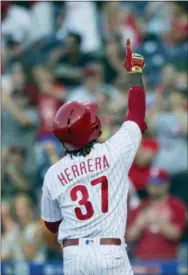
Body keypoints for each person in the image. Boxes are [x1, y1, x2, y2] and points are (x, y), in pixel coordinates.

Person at [41, 39, 147, 275]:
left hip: (74, 255)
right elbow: (137, 115)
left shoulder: (53, 173)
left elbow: (51, 224)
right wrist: (135, 74)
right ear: (92, 127)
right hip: (110, 252)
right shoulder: (114, 151)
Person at [127, 167, 187, 260]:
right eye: (151, 182)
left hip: (168, 261)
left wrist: (157, 219)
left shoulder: (177, 205)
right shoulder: (140, 206)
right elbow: (130, 236)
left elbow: (176, 234)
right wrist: (140, 224)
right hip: (142, 261)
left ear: (167, 184)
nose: (154, 186)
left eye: (158, 182)